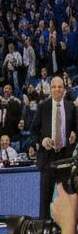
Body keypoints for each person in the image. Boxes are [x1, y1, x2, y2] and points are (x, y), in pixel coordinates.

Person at [34, 76, 77, 220]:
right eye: (54, 87)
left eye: (60, 86)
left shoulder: (71, 107)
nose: (57, 89)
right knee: (45, 198)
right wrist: (42, 140)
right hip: (47, 158)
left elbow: (76, 129)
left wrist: (74, 134)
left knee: (67, 196)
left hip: (65, 157)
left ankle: (67, 229)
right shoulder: (43, 106)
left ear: (64, 89)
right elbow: (33, 131)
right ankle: (43, 230)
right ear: (50, 89)